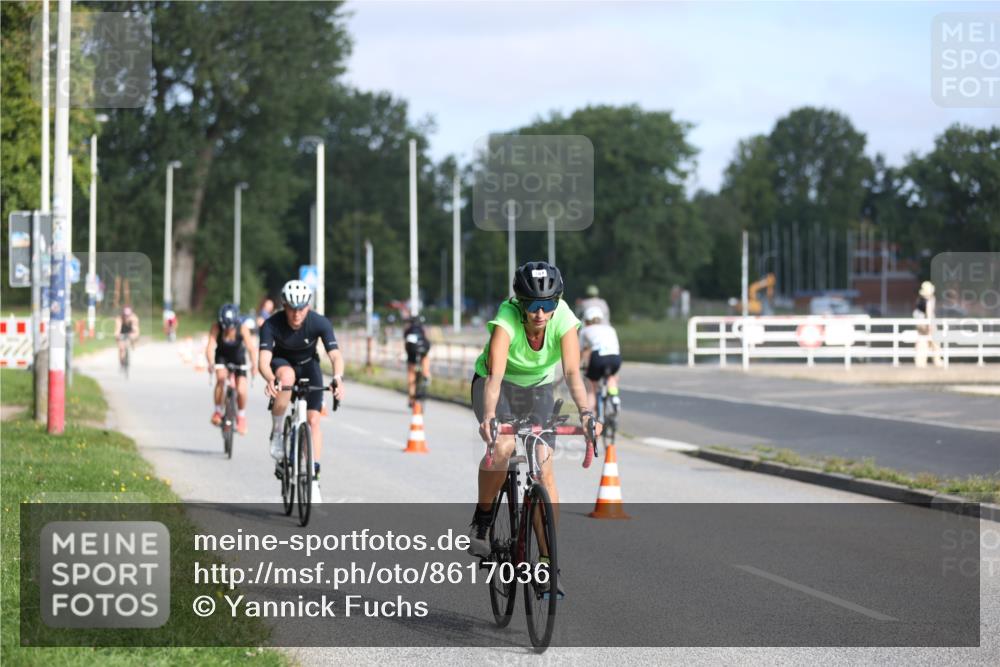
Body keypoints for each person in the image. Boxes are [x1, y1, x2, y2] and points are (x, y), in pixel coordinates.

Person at [467, 261, 600, 598]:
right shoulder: (506, 319)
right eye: (532, 305)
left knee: (543, 466)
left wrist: (585, 413)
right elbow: (494, 378)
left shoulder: (564, 319)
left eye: (548, 305)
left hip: (538, 389)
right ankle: (483, 519)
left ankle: (546, 560)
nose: (540, 313)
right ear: (519, 303)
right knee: (503, 448)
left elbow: (571, 373)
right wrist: (489, 417)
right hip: (496, 385)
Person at [258, 280, 346, 503]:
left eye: (301, 308)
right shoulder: (271, 325)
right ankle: (278, 431)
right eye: (291, 308)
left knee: (314, 420)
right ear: (284, 306)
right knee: (287, 378)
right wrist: (270, 379)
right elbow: (263, 361)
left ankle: (313, 478)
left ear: (308, 306)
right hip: (282, 363)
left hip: (309, 364)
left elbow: (335, 355)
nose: (296, 314)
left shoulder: (319, 322)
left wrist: (337, 378)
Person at [206, 303, 258, 435]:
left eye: (231, 327)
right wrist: (211, 362)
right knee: (221, 379)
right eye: (226, 327)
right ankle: (218, 411)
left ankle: (241, 416)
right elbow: (210, 346)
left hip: (238, 359)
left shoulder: (242, 328)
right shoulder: (216, 327)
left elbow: (251, 349)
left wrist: (254, 365)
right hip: (222, 357)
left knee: (241, 390)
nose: (228, 330)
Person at [579, 306, 622, 414]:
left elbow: (582, 351)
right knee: (612, 376)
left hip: (598, 357)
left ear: (587, 320)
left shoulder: (585, 330)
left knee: (591, 385)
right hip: (615, 357)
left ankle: (590, 415)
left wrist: (579, 364)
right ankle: (614, 396)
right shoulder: (611, 329)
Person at [403, 315, 432, 407]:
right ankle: (426, 375)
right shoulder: (422, 329)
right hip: (423, 351)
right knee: (425, 358)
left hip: (411, 354)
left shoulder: (408, 330)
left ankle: (411, 399)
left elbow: (406, 343)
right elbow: (427, 341)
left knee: (411, 374)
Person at [913, 280, 943, 368]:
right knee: (934, 343)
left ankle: (920, 361)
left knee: (922, 343)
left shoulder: (920, 300)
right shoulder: (929, 300)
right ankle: (937, 361)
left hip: (920, 324)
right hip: (927, 324)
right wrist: (930, 326)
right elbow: (929, 313)